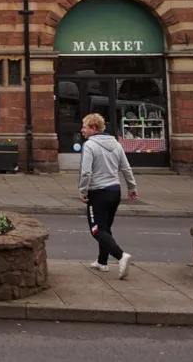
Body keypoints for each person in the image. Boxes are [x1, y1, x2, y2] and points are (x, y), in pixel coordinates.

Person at [78, 112, 138, 279]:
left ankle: (121, 256)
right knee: (105, 228)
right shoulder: (116, 144)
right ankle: (102, 262)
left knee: (96, 229)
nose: (82, 130)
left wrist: (83, 191)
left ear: (94, 128)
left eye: (85, 127)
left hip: (98, 192)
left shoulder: (90, 145)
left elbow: (86, 172)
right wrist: (132, 188)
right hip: (114, 191)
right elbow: (126, 168)